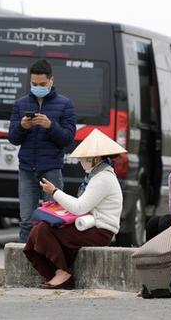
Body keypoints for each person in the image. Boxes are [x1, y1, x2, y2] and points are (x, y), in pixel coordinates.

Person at [23, 128, 126, 289]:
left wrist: (54, 192)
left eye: (84, 157)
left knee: (43, 230)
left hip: (100, 231)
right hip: (88, 225)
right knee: (40, 229)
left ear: (95, 158)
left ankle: (62, 273)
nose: (80, 160)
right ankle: (57, 273)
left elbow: (79, 207)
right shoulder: (95, 176)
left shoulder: (103, 178)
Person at [8, 59, 77, 243]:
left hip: (51, 169)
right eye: (34, 84)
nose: (38, 87)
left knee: (53, 219)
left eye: (42, 84)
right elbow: (13, 139)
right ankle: (23, 264)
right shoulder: (20, 104)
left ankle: (51, 261)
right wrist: (22, 126)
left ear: (51, 81)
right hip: (27, 169)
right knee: (26, 221)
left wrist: (50, 125)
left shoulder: (65, 104)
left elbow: (68, 139)